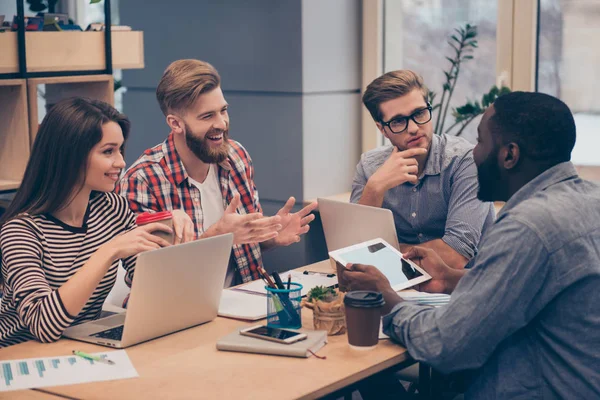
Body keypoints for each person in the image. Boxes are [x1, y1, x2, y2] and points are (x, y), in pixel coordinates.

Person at [341, 91, 600, 398]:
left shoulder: (527, 227)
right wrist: (452, 279)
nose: (474, 154)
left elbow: (445, 345)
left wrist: (387, 299)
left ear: (509, 155)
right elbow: (536, 289)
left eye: (480, 142)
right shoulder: (589, 200)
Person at [117, 59, 317, 286]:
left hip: (244, 300)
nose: (221, 123)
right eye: (207, 116)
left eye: (223, 111)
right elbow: (149, 278)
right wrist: (216, 236)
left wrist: (270, 237)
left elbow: (245, 243)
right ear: (175, 124)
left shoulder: (236, 157)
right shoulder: (142, 180)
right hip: (180, 312)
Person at [0, 98, 173, 347]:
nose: (121, 162)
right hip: (22, 356)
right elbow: (43, 325)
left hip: (79, 346)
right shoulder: (21, 231)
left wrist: (170, 246)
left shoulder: (114, 208)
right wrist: (108, 251)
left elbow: (154, 284)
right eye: (108, 151)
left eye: (120, 150)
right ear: (71, 155)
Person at [353, 70, 494, 268]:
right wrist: (375, 187)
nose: (413, 128)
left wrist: (382, 250)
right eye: (398, 121)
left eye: (419, 113)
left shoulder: (465, 160)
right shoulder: (370, 167)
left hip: (466, 288)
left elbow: (455, 256)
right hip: (396, 285)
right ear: (382, 129)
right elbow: (352, 251)